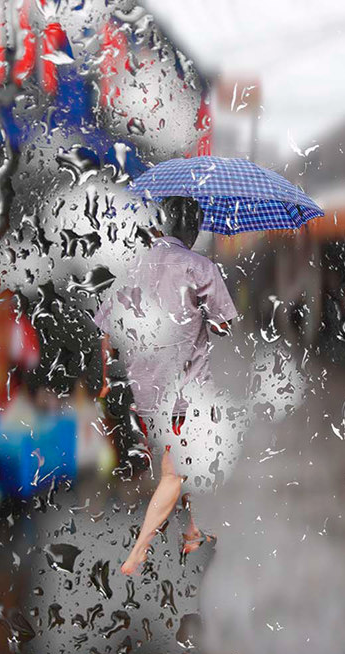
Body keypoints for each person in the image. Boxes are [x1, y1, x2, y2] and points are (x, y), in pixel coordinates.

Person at [94, 196, 237, 575]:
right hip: (184, 396)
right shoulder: (199, 267)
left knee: (179, 462)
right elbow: (224, 325)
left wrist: (107, 380)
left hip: (144, 395)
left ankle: (192, 532)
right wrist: (204, 316)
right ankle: (138, 551)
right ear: (192, 230)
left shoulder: (131, 266)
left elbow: (106, 330)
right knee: (174, 473)